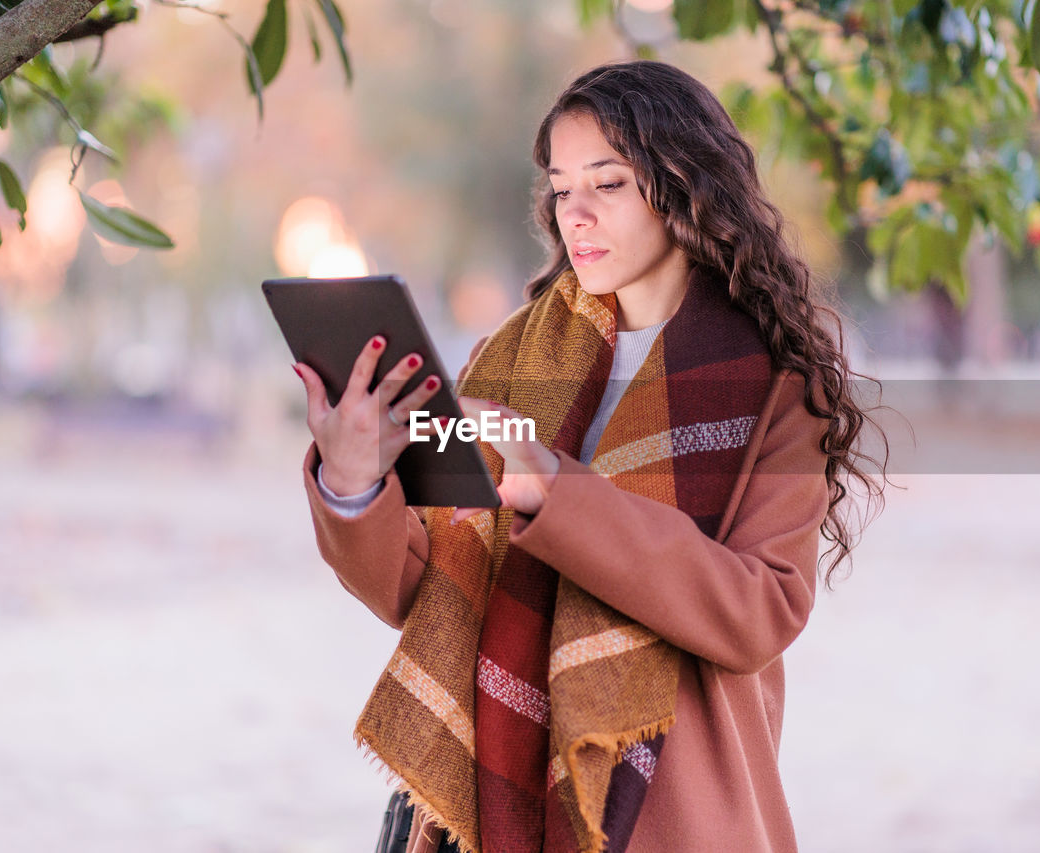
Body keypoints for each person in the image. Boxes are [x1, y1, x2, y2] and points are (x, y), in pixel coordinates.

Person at [294, 60, 884, 853]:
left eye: (608, 184)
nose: (577, 214)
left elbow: (760, 610)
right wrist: (355, 481)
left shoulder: (776, 387)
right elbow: (425, 591)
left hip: (668, 808)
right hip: (491, 798)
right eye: (562, 188)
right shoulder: (506, 362)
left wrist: (555, 494)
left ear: (684, 185)